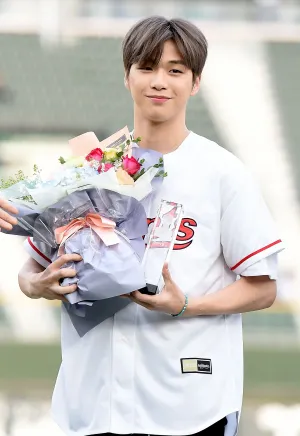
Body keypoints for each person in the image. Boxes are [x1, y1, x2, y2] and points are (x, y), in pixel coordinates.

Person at [1, 16, 284, 436]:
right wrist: (37, 284)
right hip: (95, 400)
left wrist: (184, 304)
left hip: (188, 402)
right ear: (127, 76)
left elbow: (263, 287)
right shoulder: (88, 170)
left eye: (175, 70)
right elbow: (32, 269)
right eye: (147, 67)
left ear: (195, 82)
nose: (160, 81)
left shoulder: (222, 172)